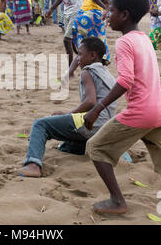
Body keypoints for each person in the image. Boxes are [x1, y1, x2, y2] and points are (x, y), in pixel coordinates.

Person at [83, 0, 161, 215]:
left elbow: (126, 80)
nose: (108, 14)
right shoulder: (144, 38)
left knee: (95, 147)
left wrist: (97, 108)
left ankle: (117, 201)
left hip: (142, 112)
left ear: (124, 15)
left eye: (112, 10)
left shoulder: (124, 43)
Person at [18, 37, 117, 177]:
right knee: (65, 146)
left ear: (93, 55)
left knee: (40, 125)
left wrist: (68, 114)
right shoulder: (107, 74)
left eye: (80, 54)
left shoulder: (87, 71)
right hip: (105, 127)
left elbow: (90, 102)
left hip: (91, 124)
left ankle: (33, 165)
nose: (78, 59)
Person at [73, 0, 113, 68]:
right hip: (93, 16)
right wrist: (105, 8)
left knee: (84, 49)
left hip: (81, 16)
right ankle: (101, 75)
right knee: (101, 49)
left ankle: (70, 72)